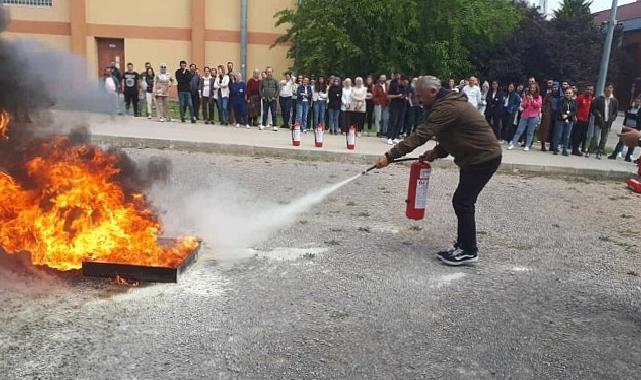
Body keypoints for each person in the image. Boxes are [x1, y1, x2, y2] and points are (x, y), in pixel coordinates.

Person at [375, 76, 502, 266]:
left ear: (433, 92)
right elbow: (454, 135)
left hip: (483, 158)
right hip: (473, 158)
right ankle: (462, 246)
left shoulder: (447, 107)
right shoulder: (445, 104)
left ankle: (469, 251)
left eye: (419, 95)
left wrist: (390, 156)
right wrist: (435, 153)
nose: (417, 99)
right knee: (463, 202)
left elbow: (421, 134)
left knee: (463, 202)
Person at [508, 82, 542, 151]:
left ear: (536, 89)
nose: (532, 89)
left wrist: (532, 100)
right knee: (519, 130)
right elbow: (523, 105)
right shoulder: (526, 96)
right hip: (525, 116)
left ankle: (527, 145)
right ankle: (513, 144)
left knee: (530, 132)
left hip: (534, 117)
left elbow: (538, 105)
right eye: (531, 88)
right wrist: (527, 101)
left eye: (533, 88)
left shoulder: (539, 97)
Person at [590, 83, 619, 159]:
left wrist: (613, 117)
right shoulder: (599, 98)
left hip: (608, 122)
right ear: (605, 88)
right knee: (595, 136)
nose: (609, 89)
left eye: (611, 88)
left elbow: (616, 111)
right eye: (608, 88)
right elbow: (594, 109)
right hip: (599, 120)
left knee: (604, 138)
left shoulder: (614, 100)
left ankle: (599, 151)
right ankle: (590, 150)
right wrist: (598, 114)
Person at [609, 95, 641, 161]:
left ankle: (628, 157)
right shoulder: (630, 108)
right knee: (621, 141)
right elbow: (626, 116)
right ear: (634, 102)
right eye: (636, 101)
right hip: (626, 127)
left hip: (634, 129)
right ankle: (614, 154)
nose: (637, 103)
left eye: (638, 102)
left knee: (632, 143)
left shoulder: (640, 110)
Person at [552, 88, 577, 156]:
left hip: (569, 120)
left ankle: (565, 150)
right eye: (567, 93)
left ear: (572, 94)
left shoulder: (574, 101)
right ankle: (555, 148)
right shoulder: (561, 100)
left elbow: (574, 111)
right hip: (560, 119)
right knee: (558, 135)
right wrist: (563, 115)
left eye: (570, 93)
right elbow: (560, 108)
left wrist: (568, 116)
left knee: (567, 136)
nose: (568, 94)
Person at [571, 85, 593, 156]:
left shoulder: (590, 99)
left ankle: (577, 148)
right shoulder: (580, 97)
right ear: (585, 90)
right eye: (588, 89)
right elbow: (575, 107)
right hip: (579, 119)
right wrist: (574, 116)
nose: (589, 91)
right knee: (577, 135)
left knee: (582, 136)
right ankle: (574, 149)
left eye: (591, 90)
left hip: (585, 120)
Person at [539, 82, 559, 151]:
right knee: (545, 129)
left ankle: (552, 145)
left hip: (555, 115)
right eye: (554, 87)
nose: (555, 89)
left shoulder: (560, 96)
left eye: (556, 87)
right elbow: (543, 104)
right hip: (548, 114)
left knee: (553, 130)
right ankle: (543, 145)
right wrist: (544, 112)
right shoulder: (548, 96)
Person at [386, 73, 405, 144]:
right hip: (394, 105)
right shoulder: (393, 84)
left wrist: (404, 96)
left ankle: (395, 136)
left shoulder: (403, 85)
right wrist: (397, 96)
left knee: (399, 121)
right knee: (393, 120)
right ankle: (389, 137)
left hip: (402, 105)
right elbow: (388, 96)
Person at [259, 66, 279, 131]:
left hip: (273, 99)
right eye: (267, 72)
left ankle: (275, 125)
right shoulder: (263, 80)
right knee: (265, 112)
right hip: (265, 99)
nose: (269, 73)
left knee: (273, 112)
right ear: (266, 72)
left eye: (270, 72)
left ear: (272, 72)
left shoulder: (275, 80)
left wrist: (275, 96)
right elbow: (260, 89)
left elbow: (278, 89)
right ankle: (263, 125)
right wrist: (262, 96)